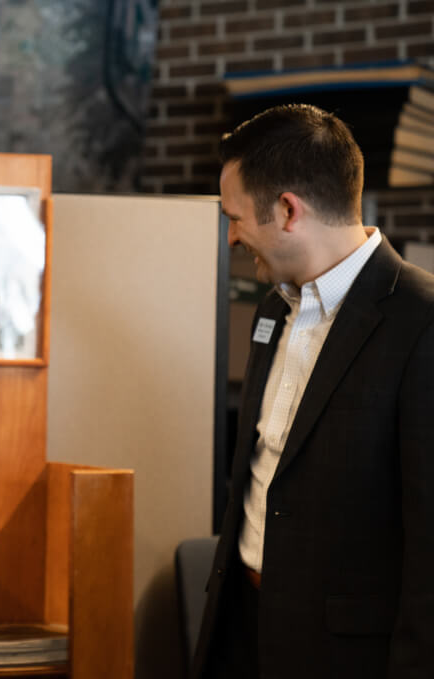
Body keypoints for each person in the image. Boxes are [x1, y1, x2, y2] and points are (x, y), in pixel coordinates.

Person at [192, 103, 434, 679]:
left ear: (287, 210)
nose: (231, 238)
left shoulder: (421, 320)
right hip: (242, 628)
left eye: (234, 218)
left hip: (343, 655)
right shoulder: (273, 308)